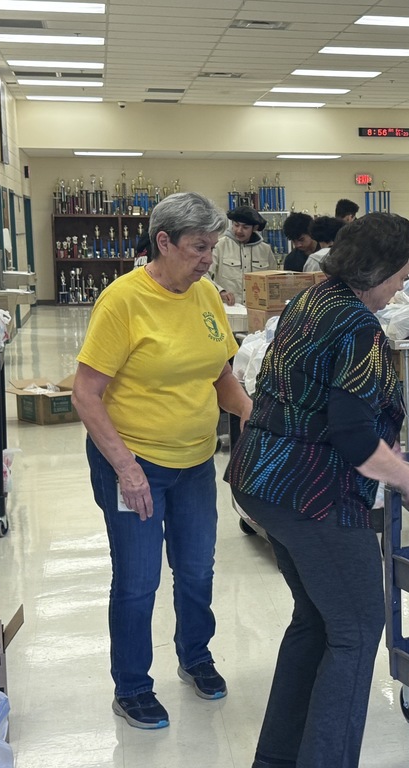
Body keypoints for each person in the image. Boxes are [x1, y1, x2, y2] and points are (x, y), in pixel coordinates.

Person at [226, 212, 409, 768]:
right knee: (358, 628)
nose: (402, 286)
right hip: (310, 493)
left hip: (262, 480)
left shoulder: (313, 301)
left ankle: (277, 758)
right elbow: (353, 438)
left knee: (317, 620)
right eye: (400, 274)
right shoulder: (360, 330)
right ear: (378, 269)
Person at [72, 192, 252, 730]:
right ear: (164, 241)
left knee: (197, 569)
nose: (207, 259)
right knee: (138, 579)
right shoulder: (122, 301)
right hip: (134, 462)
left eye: (213, 247)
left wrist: (251, 415)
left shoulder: (204, 296)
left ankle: (195, 655)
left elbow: (220, 372)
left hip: (195, 461)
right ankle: (131, 685)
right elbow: (85, 393)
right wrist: (126, 469)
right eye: (199, 247)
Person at [210, 205, 276, 305]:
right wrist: (220, 291)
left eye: (245, 227)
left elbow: (274, 280)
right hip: (228, 309)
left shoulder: (265, 250)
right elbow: (205, 275)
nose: (239, 230)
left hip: (257, 310)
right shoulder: (220, 245)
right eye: (236, 225)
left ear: (254, 228)